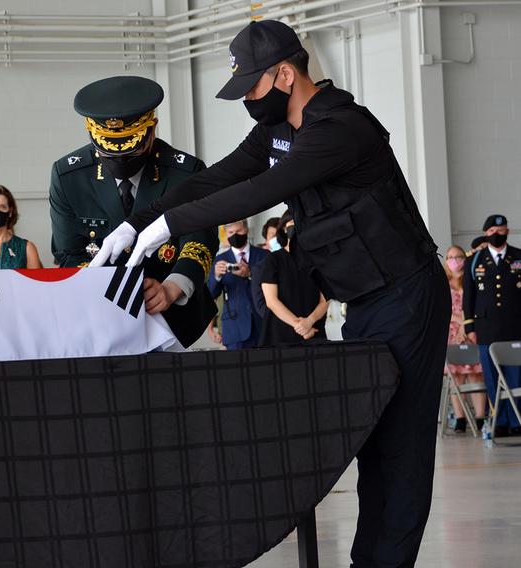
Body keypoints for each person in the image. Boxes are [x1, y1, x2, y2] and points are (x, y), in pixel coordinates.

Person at [92, 20, 450, 567]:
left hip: (409, 295)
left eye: (253, 88)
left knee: (401, 448)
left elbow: (261, 191)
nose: (248, 102)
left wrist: (169, 227)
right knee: (375, 442)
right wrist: (140, 220)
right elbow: (219, 179)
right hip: (365, 302)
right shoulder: (277, 130)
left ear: (286, 73)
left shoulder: (338, 129)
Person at [50, 75, 218, 347]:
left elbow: (200, 239)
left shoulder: (185, 172)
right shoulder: (69, 176)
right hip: (99, 314)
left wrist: (172, 287)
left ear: (152, 129)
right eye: (108, 152)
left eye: (131, 150)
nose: (119, 158)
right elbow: (69, 252)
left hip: (174, 317)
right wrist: (113, 288)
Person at [463, 214, 521, 436]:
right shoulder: (475, 261)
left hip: (515, 327)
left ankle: (516, 421)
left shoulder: (518, 257)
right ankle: (499, 421)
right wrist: (470, 328)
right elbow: (469, 298)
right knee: (492, 377)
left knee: (515, 376)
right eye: (492, 232)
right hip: (486, 329)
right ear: (486, 234)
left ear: (508, 231)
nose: (497, 235)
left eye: (501, 230)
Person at [258, 211, 327, 346]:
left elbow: (325, 300)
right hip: (280, 334)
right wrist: (301, 327)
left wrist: (309, 322)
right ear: (284, 228)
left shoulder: (318, 260)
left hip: (313, 331)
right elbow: (271, 301)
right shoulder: (273, 259)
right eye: (292, 224)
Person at [443, 245, 485, 433]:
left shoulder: (472, 280)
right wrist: (458, 322)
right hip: (452, 333)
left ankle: (480, 417)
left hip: (470, 331)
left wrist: (466, 326)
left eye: (459, 256)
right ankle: (460, 418)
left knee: (476, 374)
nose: (455, 260)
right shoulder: (443, 283)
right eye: (451, 257)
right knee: (456, 377)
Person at [207, 220, 268, 349]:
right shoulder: (220, 259)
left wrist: (250, 274)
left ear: (247, 230)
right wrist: (217, 276)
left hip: (263, 323)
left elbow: (274, 285)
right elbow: (211, 294)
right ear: (226, 234)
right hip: (234, 326)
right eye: (231, 232)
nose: (235, 235)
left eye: (239, 231)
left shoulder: (264, 255)